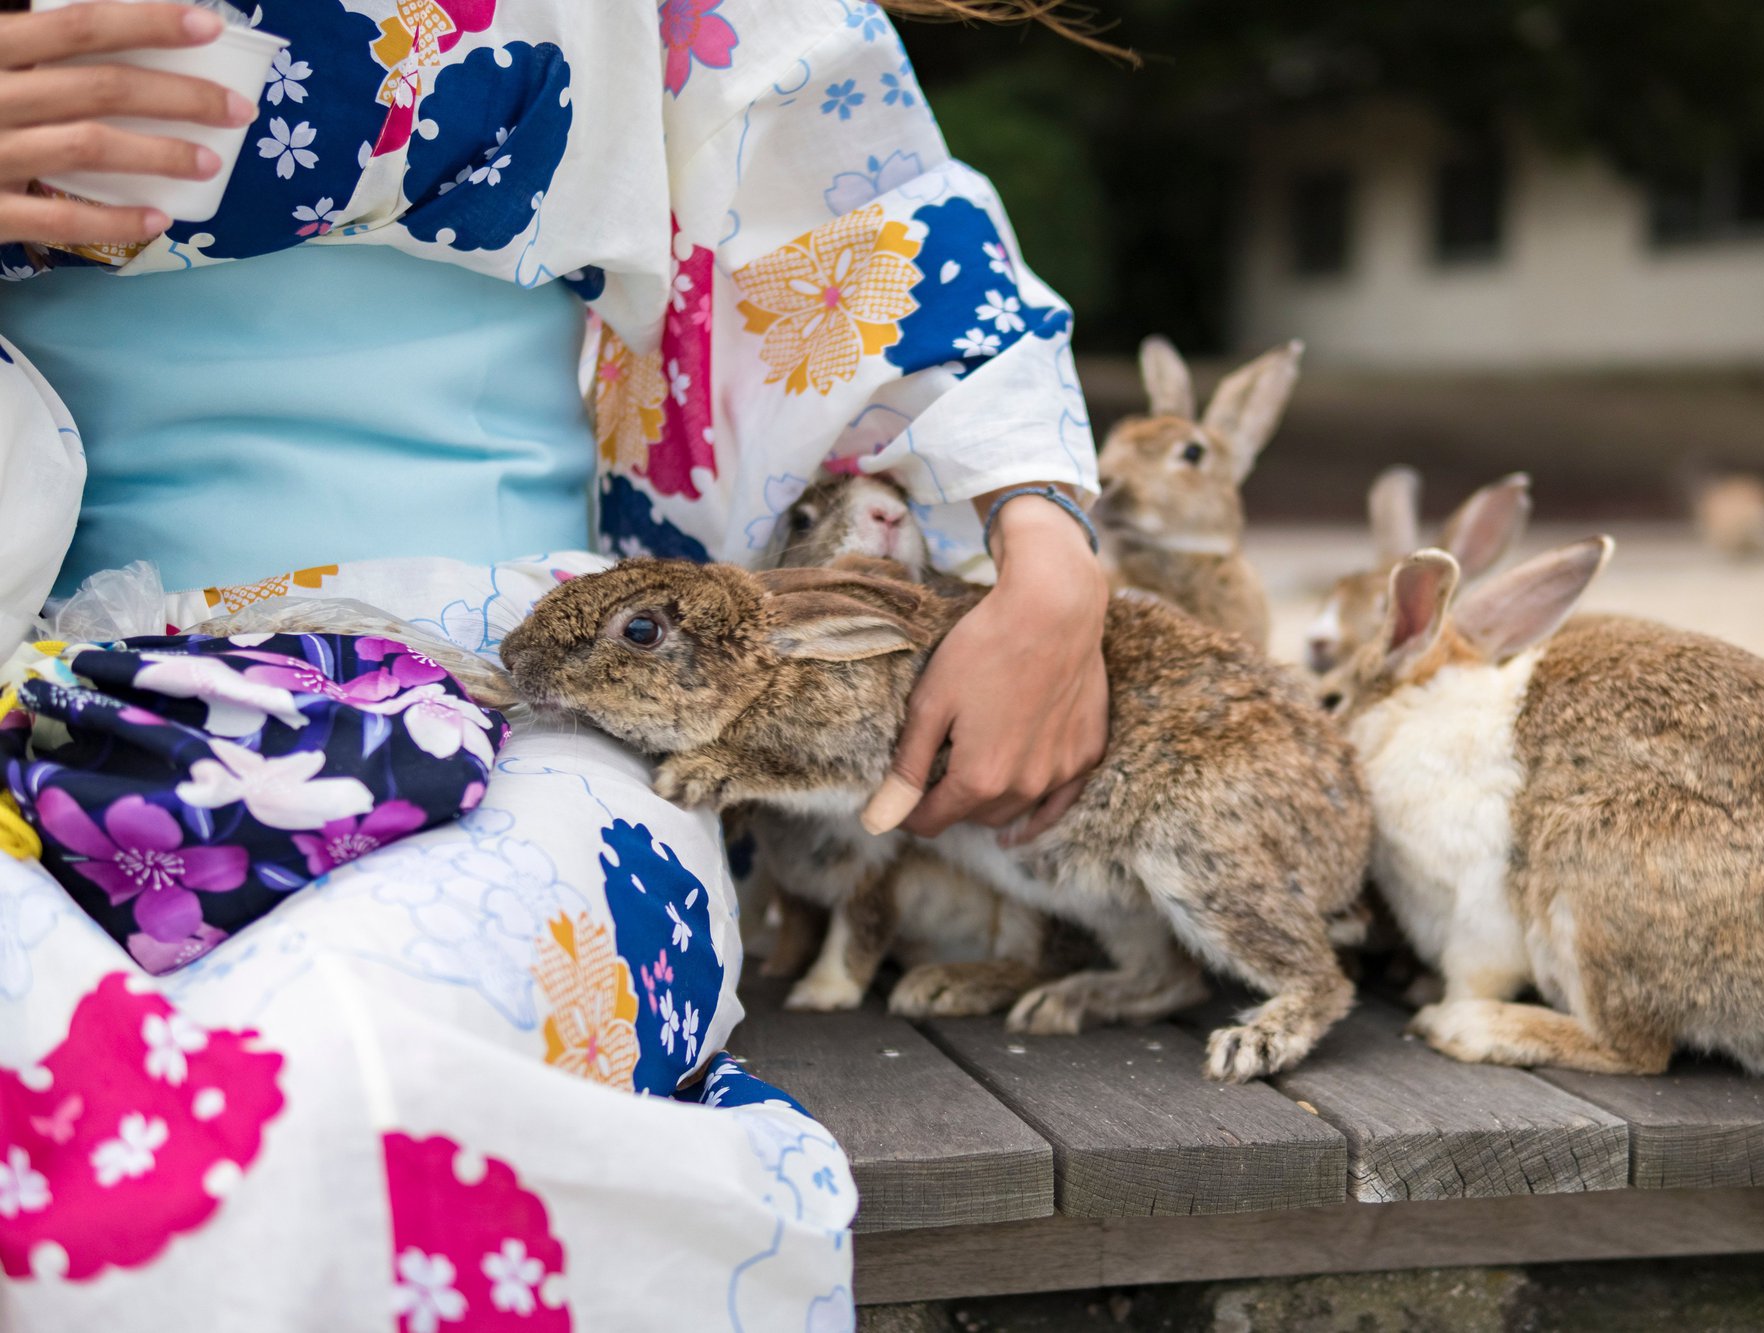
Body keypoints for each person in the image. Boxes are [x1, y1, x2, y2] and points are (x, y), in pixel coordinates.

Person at [0, 2, 1111, 1326]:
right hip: (39, 667)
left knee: (328, 1080)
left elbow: (850, 200)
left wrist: (1048, 550)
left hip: (531, 688)